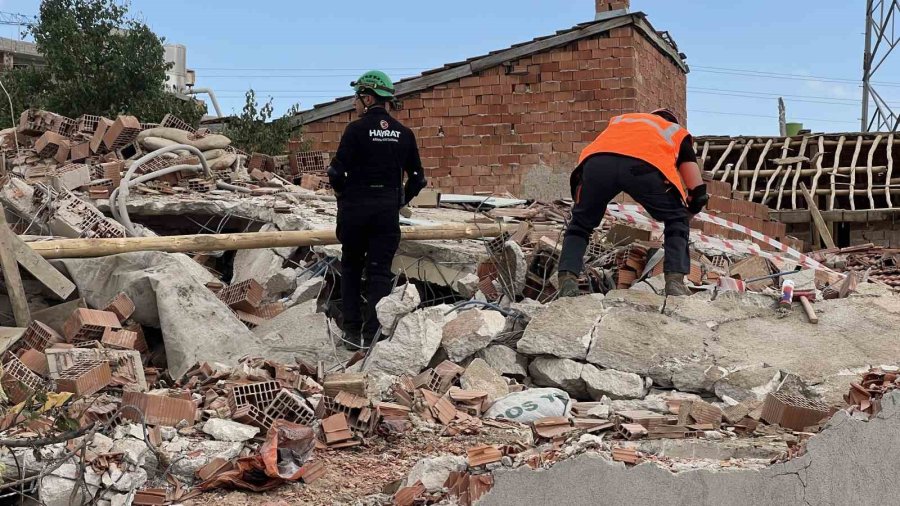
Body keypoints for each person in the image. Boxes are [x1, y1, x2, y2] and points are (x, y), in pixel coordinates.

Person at [557, 108, 708, 297]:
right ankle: (675, 284)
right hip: (644, 167)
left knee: (580, 225)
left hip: (595, 164)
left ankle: (567, 281)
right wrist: (689, 211)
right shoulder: (675, 131)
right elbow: (698, 190)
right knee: (676, 220)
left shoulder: (622, 120)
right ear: (673, 121)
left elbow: (611, 153)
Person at [327, 70, 427, 349]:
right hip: (386, 213)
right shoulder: (404, 134)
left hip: (355, 210)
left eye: (356, 98)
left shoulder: (355, 130)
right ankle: (373, 336)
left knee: (350, 268)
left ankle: (351, 333)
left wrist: (341, 195)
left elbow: (336, 171)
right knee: (379, 273)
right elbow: (419, 178)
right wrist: (400, 201)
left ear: (368, 98)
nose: (354, 104)